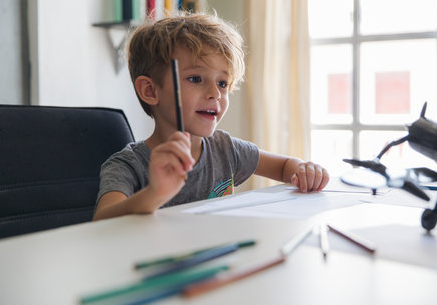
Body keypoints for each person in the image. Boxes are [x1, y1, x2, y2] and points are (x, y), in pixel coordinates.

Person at [93, 12, 329, 221]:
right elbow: (101, 223)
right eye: (196, 79)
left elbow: (285, 167)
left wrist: (304, 170)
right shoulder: (126, 165)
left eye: (223, 83)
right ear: (150, 90)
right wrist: (155, 194)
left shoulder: (225, 149)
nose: (215, 93)